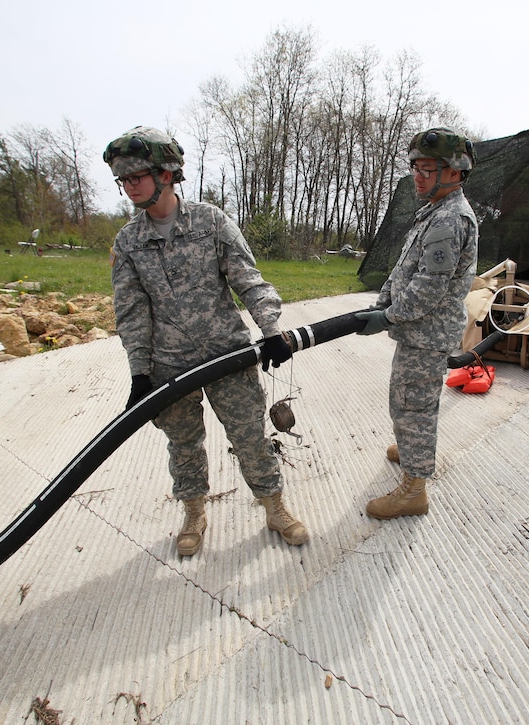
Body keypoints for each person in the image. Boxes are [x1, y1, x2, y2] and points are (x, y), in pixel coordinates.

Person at [103, 126, 307, 556]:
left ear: (167, 173)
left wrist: (270, 330)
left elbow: (248, 280)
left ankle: (274, 506)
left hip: (227, 356)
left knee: (250, 435)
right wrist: (140, 373)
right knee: (183, 443)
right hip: (168, 365)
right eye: (123, 179)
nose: (129, 186)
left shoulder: (211, 222)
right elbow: (132, 313)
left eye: (136, 175)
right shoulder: (128, 242)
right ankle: (194, 511)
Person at [354, 127, 479, 519]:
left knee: (414, 407)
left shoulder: (449, 219)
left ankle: (414, 488)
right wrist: (383, 301)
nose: (418, 176)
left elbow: (428, 288)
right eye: (415, 168)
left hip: (427, 334)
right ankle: (412, 448)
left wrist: (388, 315)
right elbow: (406, 267)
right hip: (418, 331)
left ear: (454, 172)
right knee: (410, 402)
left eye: (427, 169)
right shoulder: (434, 211)